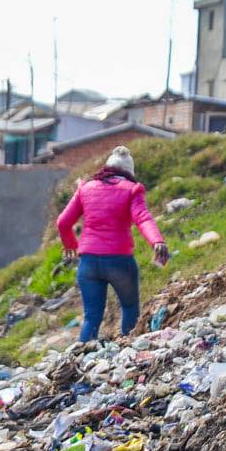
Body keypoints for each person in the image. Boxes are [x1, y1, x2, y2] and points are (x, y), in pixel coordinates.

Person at [55, 146, 169, 343]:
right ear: (129, 172)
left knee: (91, 317)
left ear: (106, 168)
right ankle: (126, 350)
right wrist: (156, 240)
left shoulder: (86, 189)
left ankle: (81, 360)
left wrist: (71, 245)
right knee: (130, 308)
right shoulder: (132, 190)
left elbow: (63, 222)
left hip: (88, 263)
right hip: (119, 262)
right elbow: (143, 218)